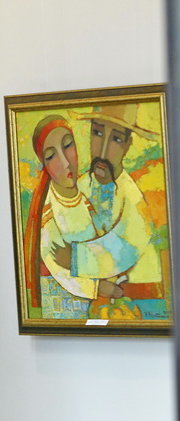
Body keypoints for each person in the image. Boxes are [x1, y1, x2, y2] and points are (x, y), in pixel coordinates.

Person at [24, 115, 123, 318]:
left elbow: (101, 235)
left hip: (95, 301)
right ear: (44, 164)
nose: (65, 162)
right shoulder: (48, 213)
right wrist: (99, 288)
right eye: (51, 156)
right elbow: (59, 268)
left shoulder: (84, 198)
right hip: (66, 306)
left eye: (68, 146)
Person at [62, 104, 163, 304]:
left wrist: (69, 258)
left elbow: (124, 253)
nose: (103, 151)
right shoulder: (75, 190)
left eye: (116, 139)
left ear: (127, 145)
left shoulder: (135, 205)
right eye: (97, 133)